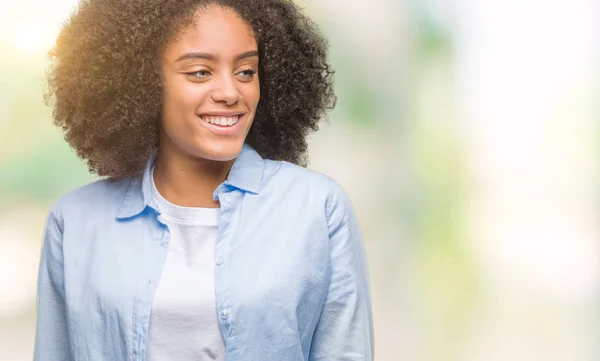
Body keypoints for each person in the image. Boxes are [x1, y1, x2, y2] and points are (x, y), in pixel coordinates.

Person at [34, 0, 374, 360]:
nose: (230, 93)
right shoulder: (75, 222)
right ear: (141, 82)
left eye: (246, 71)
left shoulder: (315, 208)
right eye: (199, 72)